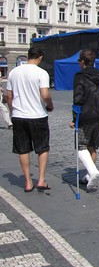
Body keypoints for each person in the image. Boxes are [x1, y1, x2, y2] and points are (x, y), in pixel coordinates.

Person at [5, 47, 54, 192]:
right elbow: (45, 94)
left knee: (23, 149)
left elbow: (9, 96)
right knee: (42, 147)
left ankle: (27, 182)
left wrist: (12, 111)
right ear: (40, 57)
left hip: (19, 115)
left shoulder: (14, 72)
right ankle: (40, 180)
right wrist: (50, 105)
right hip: (37, 115)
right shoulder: (41, 73)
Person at [71, 49, 99, 191]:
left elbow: (78, 98)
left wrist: (74, 118)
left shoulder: (80, 76)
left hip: (87, 115)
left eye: (79, 61)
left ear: (82, 62)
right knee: (92, 145)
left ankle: (93, 172)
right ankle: (89, 176)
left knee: (81, 145)